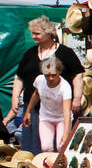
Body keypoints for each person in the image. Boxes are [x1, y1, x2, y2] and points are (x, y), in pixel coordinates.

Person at [5, 16, 84, 154]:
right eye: (32, 33)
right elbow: (19, 78)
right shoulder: (30, 53)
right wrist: (14, 99)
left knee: (59, 145)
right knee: (35, 148)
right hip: (34, 108)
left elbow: (78, 75)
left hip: (59, 108)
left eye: (37, 33)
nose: (33, 36)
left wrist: (77, 98)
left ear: (49, 33)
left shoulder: (65, 53)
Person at [23, 56, 73, 152]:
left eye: (54, 75)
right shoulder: (40, 80)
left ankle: (60, 166)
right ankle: (48, 166)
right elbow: (36, 95)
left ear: (60, 71)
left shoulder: (65, 87)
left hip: (62, 119)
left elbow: (67, 111)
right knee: (46, 147)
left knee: (61, 146)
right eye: (47, 75)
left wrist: (66, 133)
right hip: (46, 117)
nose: (50, 78)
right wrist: (28, 112)